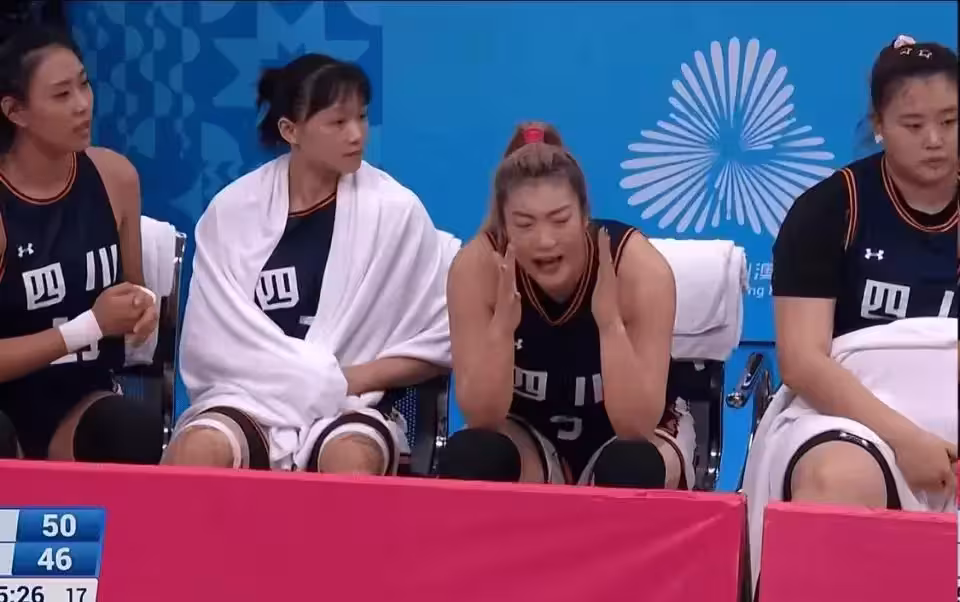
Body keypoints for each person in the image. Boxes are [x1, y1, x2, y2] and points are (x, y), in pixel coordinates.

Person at [163, 54, 455, 475]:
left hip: (351, 405)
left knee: (351, 457)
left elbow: (442, 338)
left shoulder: (396, 212)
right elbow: (212, 343)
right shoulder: (233, 212)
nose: (356, 134)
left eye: (362, 117)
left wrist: (344, 380)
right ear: (290, 130)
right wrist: (295, 381)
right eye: (338, 122)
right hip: (247, 400)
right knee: (198, 449)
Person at [742, 35, 957, 590]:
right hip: (851, 416)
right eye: (913, 124)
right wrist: (906, 439)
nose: (935, 140)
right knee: (835, 477)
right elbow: (803, 361)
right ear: (879, 125)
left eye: (951, 121)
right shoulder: (828, 210)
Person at [436, 122, 691, 489]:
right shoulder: (478, 269)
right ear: (504, 226)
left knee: (630, 466)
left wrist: (610, 325)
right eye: (525, 224)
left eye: (560, 220)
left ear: (585, 216)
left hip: (639, 431)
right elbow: (482, 418)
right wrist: (502, 327)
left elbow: (636, 426)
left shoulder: (638, 269)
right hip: (528, 431)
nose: (545, 240)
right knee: (472, 456)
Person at [0, 27, 161, 463]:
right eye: (61, 94)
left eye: (84, 85)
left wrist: (143, 307)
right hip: (7, 403)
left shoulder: (115, 177)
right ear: (15, 111)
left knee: (132, 430)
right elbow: (97, 322)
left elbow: (134, 288)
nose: (82, 104)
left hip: (81, 397)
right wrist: (89, 327)